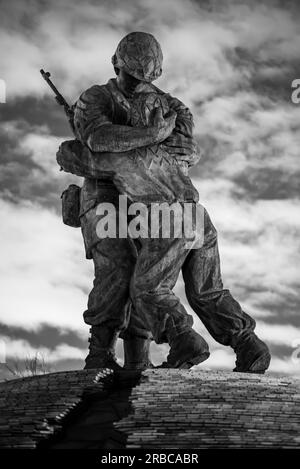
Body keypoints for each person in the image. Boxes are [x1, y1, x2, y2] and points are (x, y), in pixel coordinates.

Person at [58, 31, 270, 373]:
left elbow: (178, 149)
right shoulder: (97, 98)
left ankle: (176, 345)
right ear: (116, 65)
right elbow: (98, 138)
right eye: (134, 76)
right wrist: (151, 136)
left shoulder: (170, 106)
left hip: (155, 204)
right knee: (120, 271)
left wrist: (144, 142)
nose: (139, 86)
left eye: (144, 79)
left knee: (146, 283)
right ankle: (106, 353)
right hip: (115, 199)